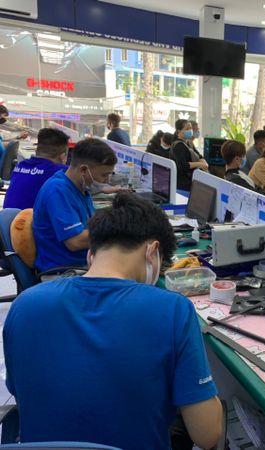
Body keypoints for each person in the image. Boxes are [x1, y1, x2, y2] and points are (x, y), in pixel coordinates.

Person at [4, 193, 223, 450]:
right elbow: (206, 436)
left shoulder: (25, 304)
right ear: (152, 251)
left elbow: (22, 391)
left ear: (90, 254)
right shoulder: (173, 310)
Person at [33, 138, 117, 272]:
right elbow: (75, 241)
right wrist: (120, 232)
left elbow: (90, 227)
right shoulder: (57, 190)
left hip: (83, 264)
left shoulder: (82, 188)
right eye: (104, 175)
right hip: (63, 271)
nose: (107, 181)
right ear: (83, 170)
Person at [3, 128, 69, 210]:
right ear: (62, 157)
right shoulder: (60, 171)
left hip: (8, 217)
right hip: (29, 218)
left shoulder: (20, 166)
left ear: (36, 150)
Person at [171, 119, 208, 191]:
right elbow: (184, 165)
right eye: (187, 129)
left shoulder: (189, 142)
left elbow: (199, 155)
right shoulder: (178, 146)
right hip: (183, 182)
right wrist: (199, 164)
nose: (190, 131)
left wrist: (204, 162)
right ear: (179, 131)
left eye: (190, 128)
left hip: (193, 177)